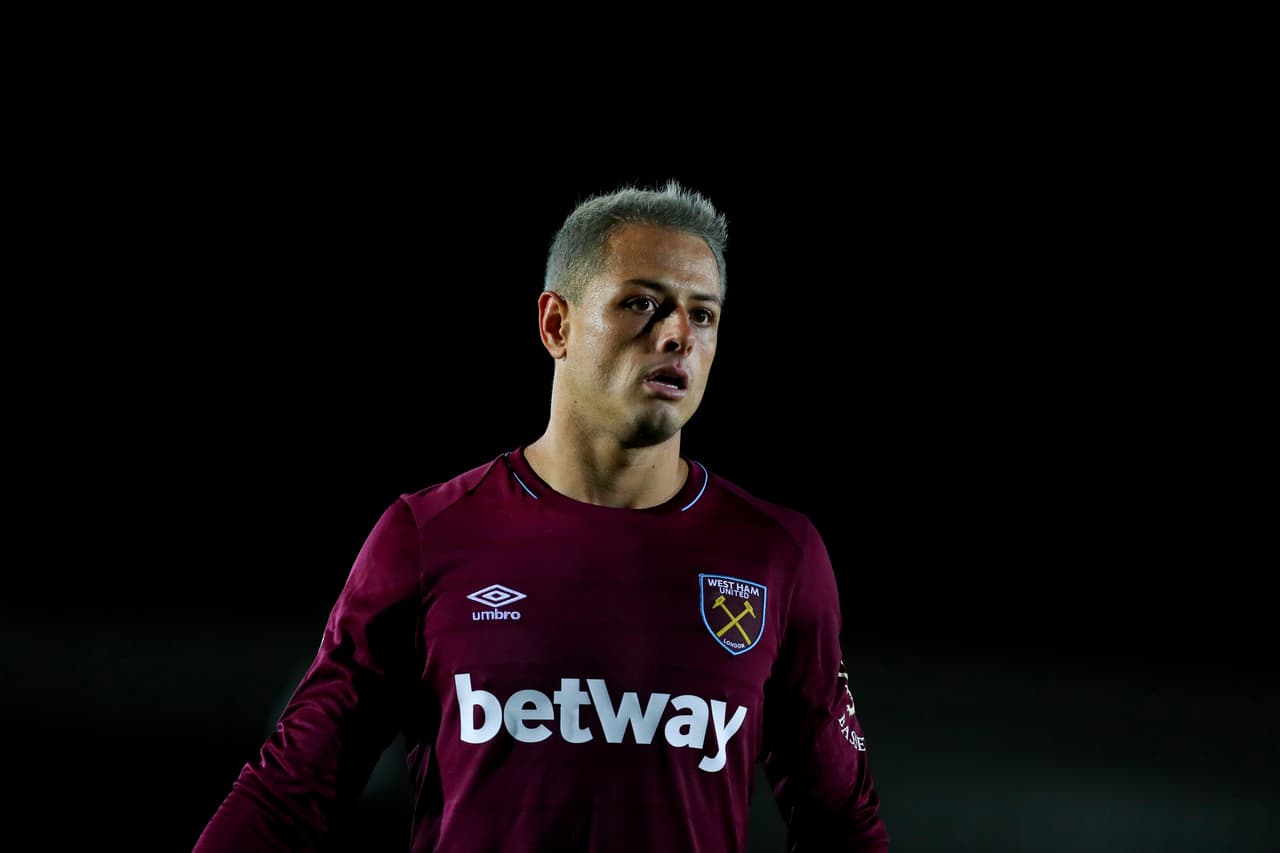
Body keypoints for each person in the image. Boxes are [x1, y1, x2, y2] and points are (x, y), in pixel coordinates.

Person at [193, 180, 890, 852]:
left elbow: (841, 823)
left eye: (702, 314)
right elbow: (289, 794)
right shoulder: (429, 535)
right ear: (556, 324)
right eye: (643, 303)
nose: (679, 333)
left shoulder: (776, 554)